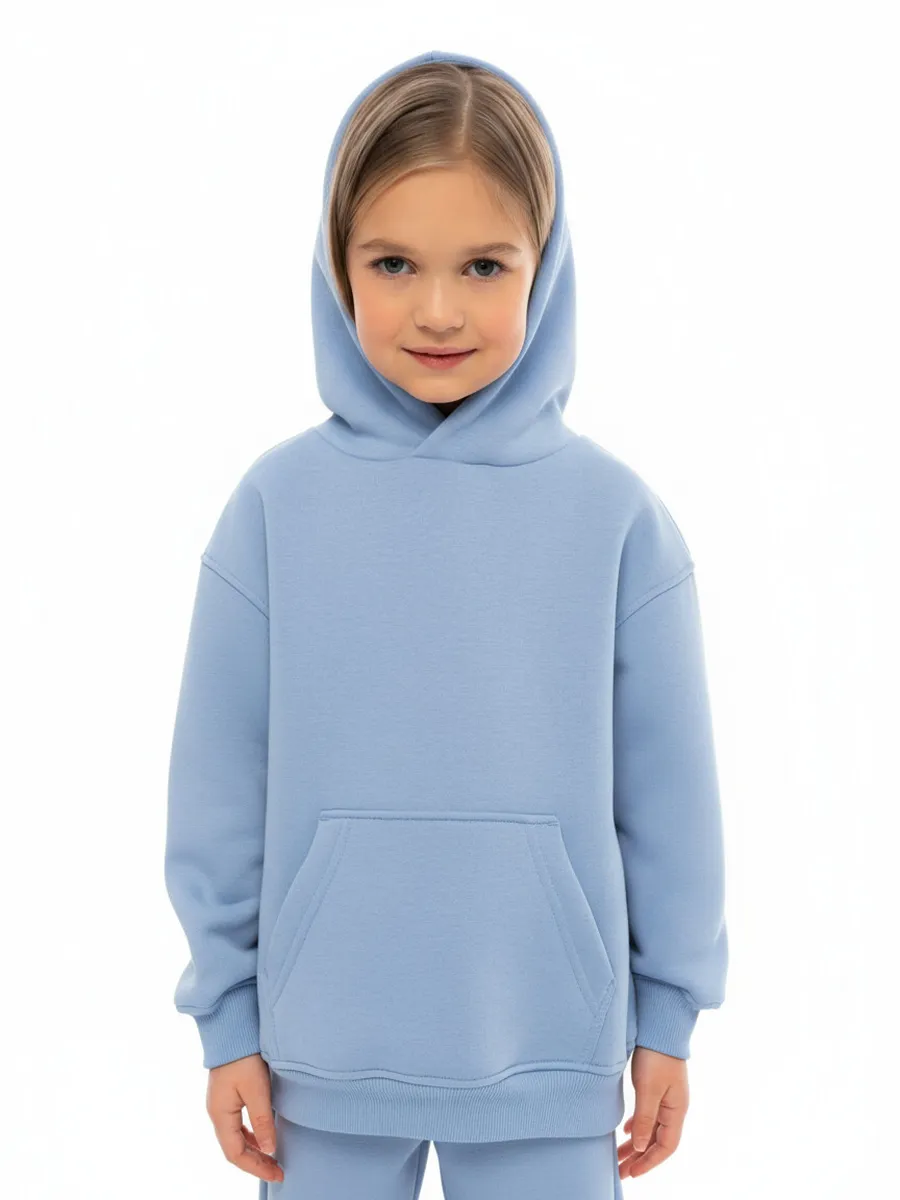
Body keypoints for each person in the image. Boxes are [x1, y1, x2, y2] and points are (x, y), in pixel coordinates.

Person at [164, 48, 728, 1200]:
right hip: (318, 1064)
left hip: (549, 1054)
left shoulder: (617, 520)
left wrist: (669, 1013)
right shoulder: (274, 509)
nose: (436, 309)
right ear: (337, 265)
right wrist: (227, 1018)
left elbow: (671, 798)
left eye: (483, 265)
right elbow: (217, 786)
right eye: (392, 263)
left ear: (544, 266)